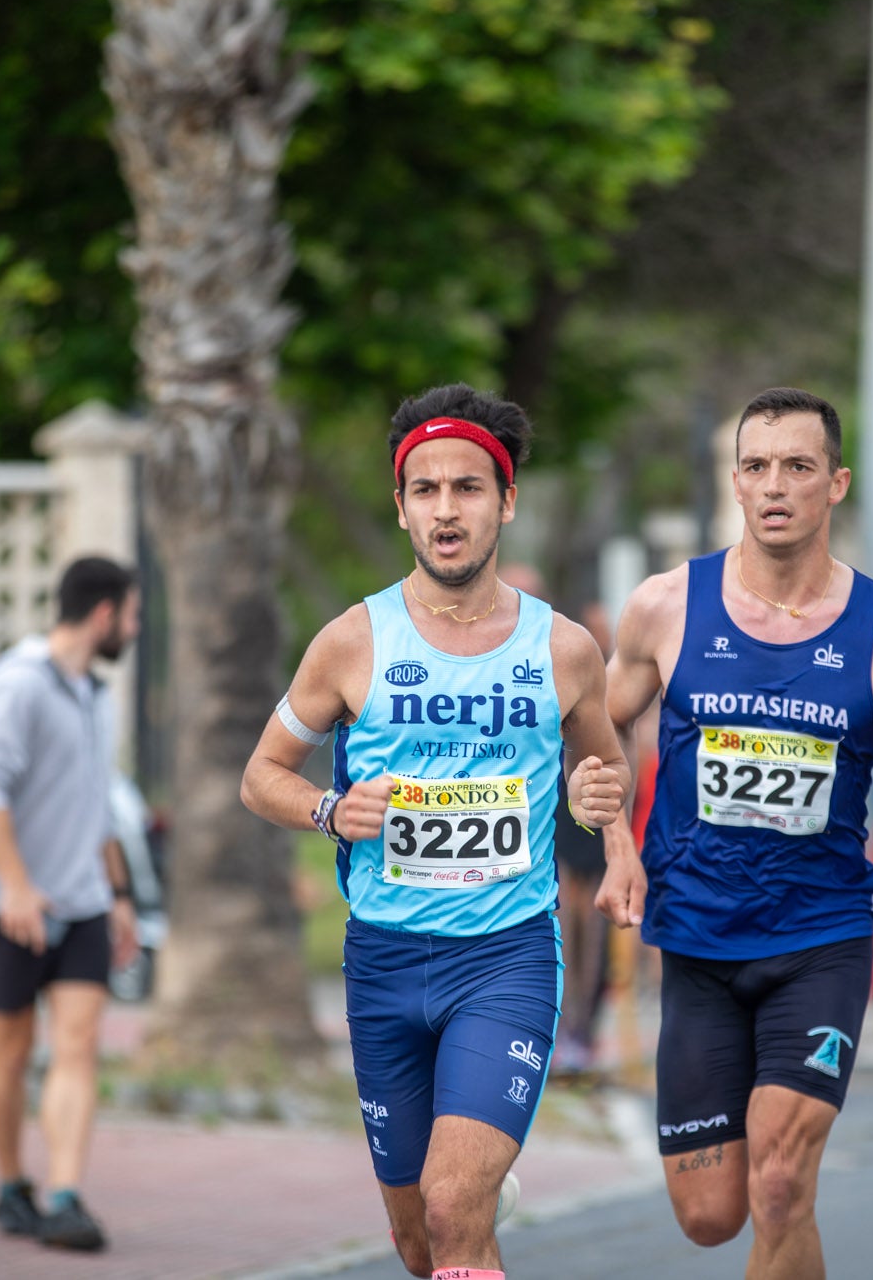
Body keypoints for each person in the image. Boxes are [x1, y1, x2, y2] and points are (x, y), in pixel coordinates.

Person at [239, 384, 636, 1280]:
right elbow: (260, 775)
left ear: (506, 502)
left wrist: (605, 816)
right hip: (383, 961)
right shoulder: (351, 641)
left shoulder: (563, 647)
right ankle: (475, 1193)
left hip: (505, 958)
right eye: (427, 489)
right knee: (421, 1240)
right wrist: (330, 810)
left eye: (467, 488)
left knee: (454, 1207)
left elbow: (606, 768)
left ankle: (476, 1185)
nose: (447, 509)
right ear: (402, 506)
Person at [604, 387, 873, 1280]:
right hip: (694, 935)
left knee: (778, 1184)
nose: (776, 486)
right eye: (758, 467)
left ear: (835, 483)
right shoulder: (664, 607)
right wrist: (611, 838)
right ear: (734, 480)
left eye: (798, 467)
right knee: (709, 1214)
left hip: (822, 937)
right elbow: (594, 727)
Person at [0, 556, 143, 1252]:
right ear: (103, 614)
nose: (136, 626)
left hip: (82, 900)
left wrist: (118, 895)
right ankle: (10, 1182)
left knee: (80, 1042)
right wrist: (15, 885)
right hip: (1, 898)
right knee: (12, 1045)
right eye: (133, 613)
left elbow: (96, 806)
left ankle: (64, 1195)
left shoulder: (97, 694)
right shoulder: (17, 682)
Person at [502, 563, 614, 1077]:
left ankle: (580, 1029)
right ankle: (554, 1023)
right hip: (518, 813)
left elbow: (608, 736)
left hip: (570, 798)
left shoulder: (564, 648)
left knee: (587, 914)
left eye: (526, 592)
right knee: (560, 912)